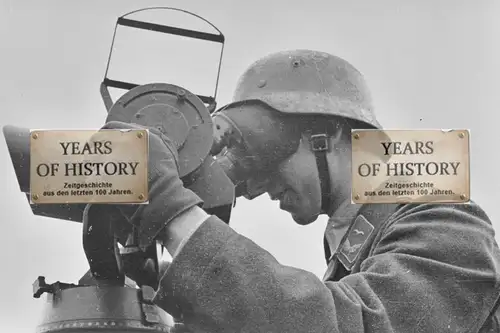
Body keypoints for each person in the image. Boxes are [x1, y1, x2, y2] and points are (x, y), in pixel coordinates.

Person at [87, 50, 500, 332]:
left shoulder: (449, 225)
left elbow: (347, 324)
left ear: (329, 134)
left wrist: (172, 212)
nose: (260, 189)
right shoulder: (353, 252)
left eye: (273, 159)